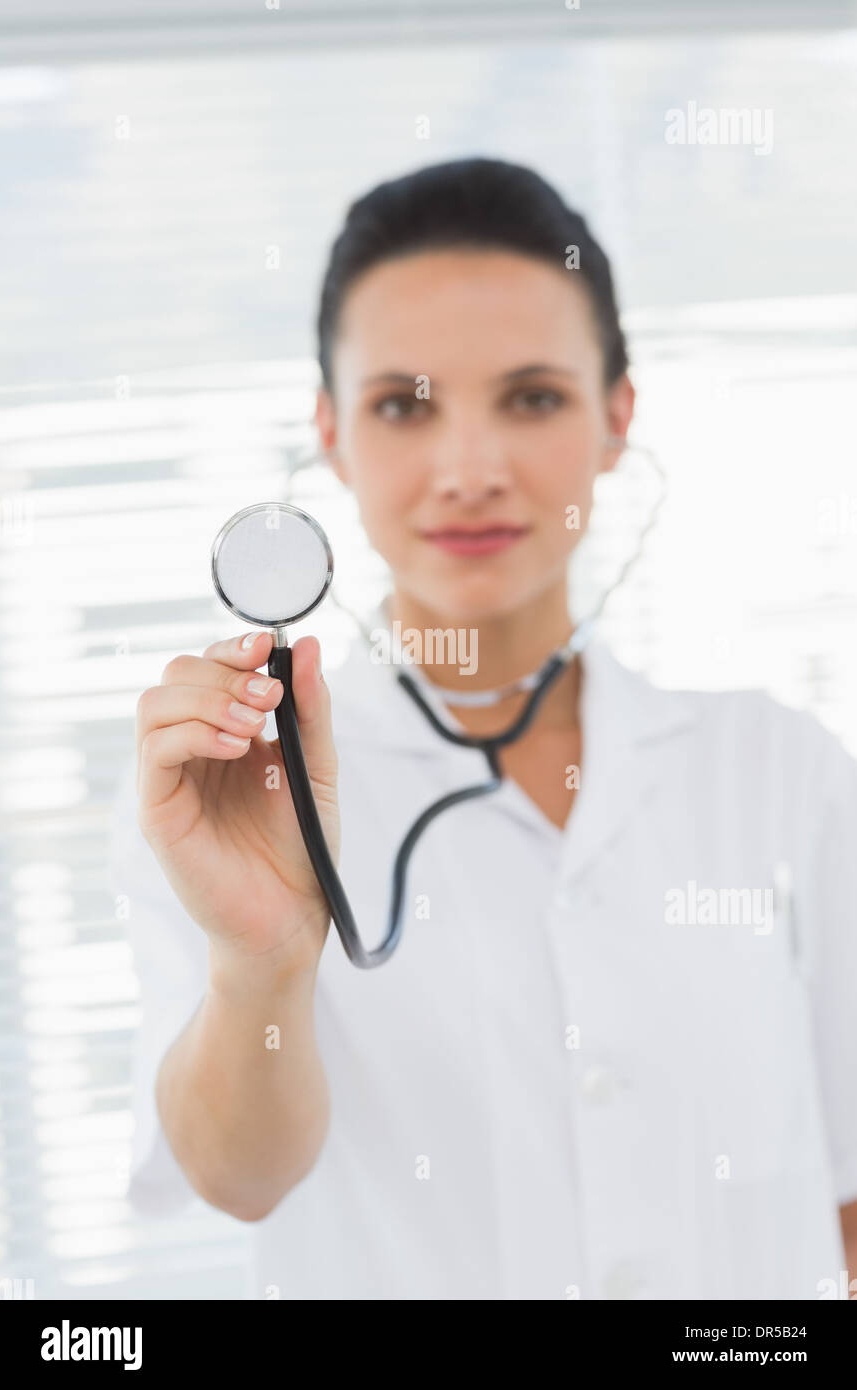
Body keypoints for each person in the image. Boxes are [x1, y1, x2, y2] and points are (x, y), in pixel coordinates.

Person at [108, 156, 857, 1301]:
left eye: (532, 396)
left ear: (616, 420)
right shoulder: (221, 781)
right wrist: (260, 962)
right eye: (403, 405)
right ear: (330, 435)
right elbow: (238, 1180)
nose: (468, 469)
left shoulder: (779, 773)